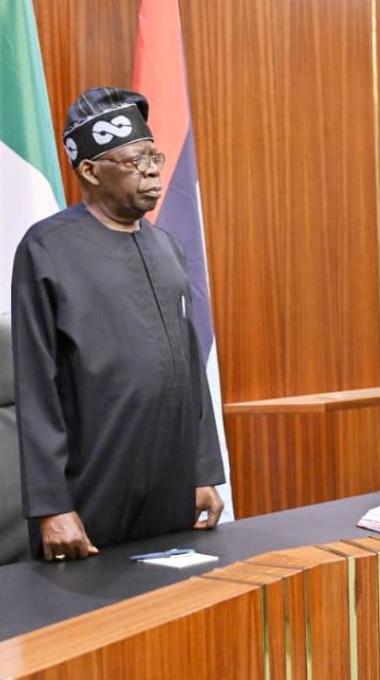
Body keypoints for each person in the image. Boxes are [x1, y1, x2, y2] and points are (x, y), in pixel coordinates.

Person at [12, 87, 225, 562]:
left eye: (155, 156)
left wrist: (204, 470)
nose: (152, 169)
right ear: (90, 170)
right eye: (135, 160)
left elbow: (191, 368)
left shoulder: (168, 247)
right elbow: (34, 386)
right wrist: (52, 506)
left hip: (173, 494)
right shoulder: (46, 248)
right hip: (90, 500)